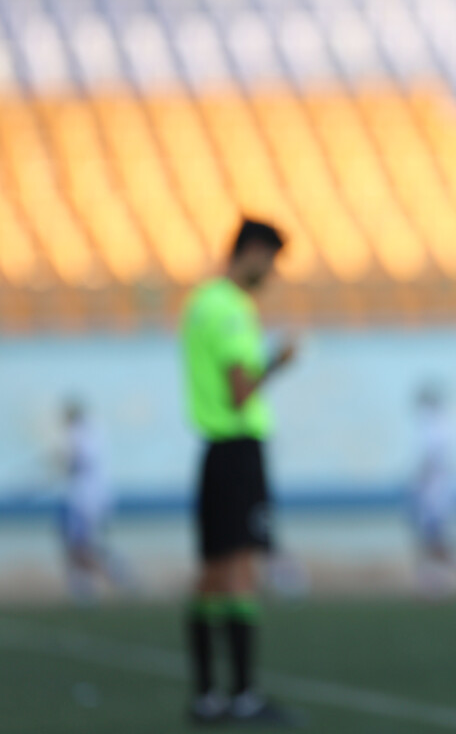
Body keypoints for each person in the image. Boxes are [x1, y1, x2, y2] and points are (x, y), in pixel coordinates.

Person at [179, 219, 300, 726]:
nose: (272, 273)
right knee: (240, 570)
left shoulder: (203, 302)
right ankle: (244, 694)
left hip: (217, 452)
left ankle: (208, 695)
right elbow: (239, 392)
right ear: (251, 251)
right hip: (237, 452)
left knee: (213, 574)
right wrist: (277, 360)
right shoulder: (230, 308)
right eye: (270, 260)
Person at [57, 398, 136, 602]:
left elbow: (77, 462)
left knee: (80, 547)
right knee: (81, 545)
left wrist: (61, 462)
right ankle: (92, 584)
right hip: (94, 499)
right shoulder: (94, 430)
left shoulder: (79, 432)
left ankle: (114, 576)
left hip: (86, 500)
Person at [408, 385, 456, 597]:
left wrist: (419, 484)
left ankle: (442, 579)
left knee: (436, 540)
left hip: (436, 492)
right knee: (436, 539)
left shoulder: (435, 425)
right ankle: (437, 580)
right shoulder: (447, 422)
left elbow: (431, 458)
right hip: (442, 491)